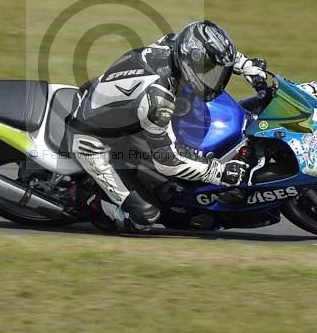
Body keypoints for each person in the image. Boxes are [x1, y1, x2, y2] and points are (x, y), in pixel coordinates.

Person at [66, 20, 268, 230]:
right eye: (208, 71)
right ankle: (83, 197)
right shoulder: (159, 102)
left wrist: (248, 68)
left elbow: (217, 55)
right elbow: (167, 161)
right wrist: (219, 172)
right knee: (144, 217)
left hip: (110, 106)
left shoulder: (174, 44)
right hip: (94, 142)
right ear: (189, 63)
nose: (213, 77)